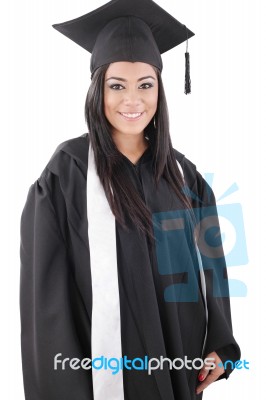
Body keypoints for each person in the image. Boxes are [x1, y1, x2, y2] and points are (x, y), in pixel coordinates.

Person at [19, 0, 241, 399]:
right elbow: (46, 299)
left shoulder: (184, 176)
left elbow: (213, 269)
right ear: (98, 90)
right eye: (117, 85)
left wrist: (220, 345)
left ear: (160, 90)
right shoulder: (66, 174)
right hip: (100, 376)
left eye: (145, 85)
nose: (132, 101)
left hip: (179, 368)